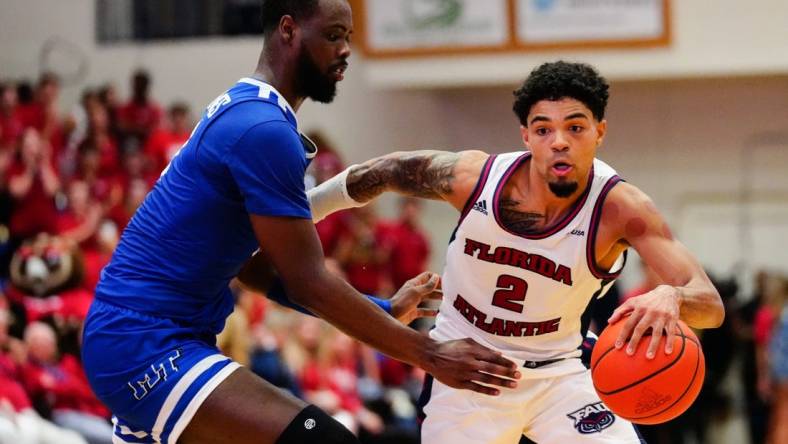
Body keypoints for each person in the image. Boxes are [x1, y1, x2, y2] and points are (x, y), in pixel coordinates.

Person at [80, 1, 518, 444]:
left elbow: (254, 267)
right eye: (332, 36)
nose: (346, 49)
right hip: (146, 343)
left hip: (148, 337)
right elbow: (307, 280)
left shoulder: (247, 110)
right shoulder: (263, 129)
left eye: (348, 37)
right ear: (288, 30)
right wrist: (431, 354)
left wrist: (381, 310)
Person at [307, 61, 725, 443]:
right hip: (467, 369)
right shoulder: (475, 179)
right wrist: (303, 211)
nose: (558, 142)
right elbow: (385, 171)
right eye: (543, 129)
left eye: (575, 128)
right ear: (526, 136)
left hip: (561, 374)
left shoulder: (621, 209)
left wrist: (673, 295)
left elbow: (710, 304)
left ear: (600, 131)